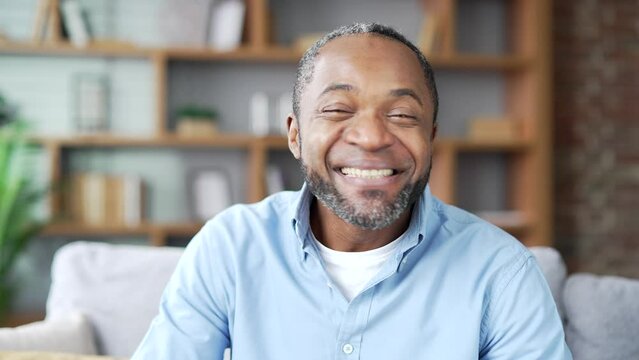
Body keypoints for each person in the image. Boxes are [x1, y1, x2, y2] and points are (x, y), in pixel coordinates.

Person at [132, 23, 572, 359]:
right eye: (338, 109)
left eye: (402, 115)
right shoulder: (230, 246)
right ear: (295, 135)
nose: (371, 137)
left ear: (431, 136)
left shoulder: (501, 271)